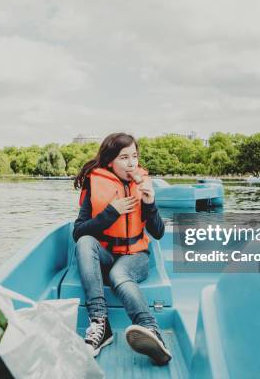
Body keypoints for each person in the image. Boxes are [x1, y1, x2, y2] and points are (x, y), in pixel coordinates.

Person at [73, 132, 172, 365]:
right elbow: (79, 232)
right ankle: (100, 324)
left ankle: (151, 331)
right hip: (106, 255)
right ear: (110, 161)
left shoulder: (144, 186)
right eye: (124, 157)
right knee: (85, 242)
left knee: (119, 274)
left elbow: (157, 232)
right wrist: (111, 212)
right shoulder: (94, 183)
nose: (131, 163)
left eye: (134, 156)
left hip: (135, 256)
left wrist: (150, 203)